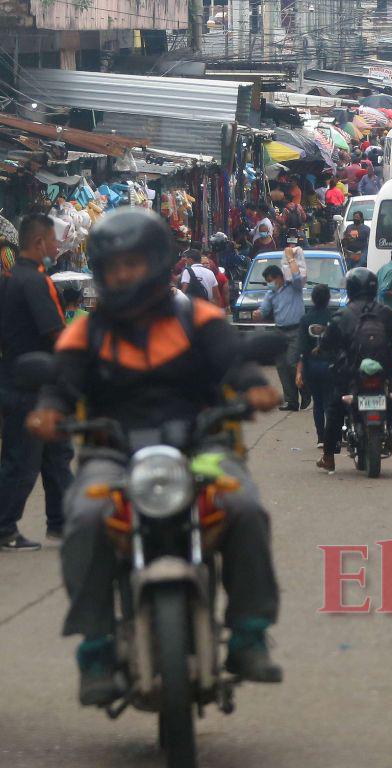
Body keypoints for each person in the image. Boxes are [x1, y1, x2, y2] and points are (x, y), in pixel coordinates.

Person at [26, 207, 283, 703]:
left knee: (245, 508)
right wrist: (49, 411)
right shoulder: (86, 331)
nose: (124, 274)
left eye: (134, 263)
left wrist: (254, 388)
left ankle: (250, 633)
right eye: (115, 266)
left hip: (202, 450)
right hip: (114, 455)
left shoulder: (199, 317)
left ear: (158, 262)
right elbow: (61, 383)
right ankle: (96, 645)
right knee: (85, 516)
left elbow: (234, 362)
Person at [0, 213, 74, 550]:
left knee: (58, 454)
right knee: (22, 461)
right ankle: (4, 528)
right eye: (55, 241)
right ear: (39, 243)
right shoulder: (34, 281)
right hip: (27, 385)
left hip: (38, 383)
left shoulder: (15, 278)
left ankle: (63, 523)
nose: (59, 247)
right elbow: (53, 332)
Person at [316, 268, 392, 472]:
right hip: (383, 370)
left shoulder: (342, 314)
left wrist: (324, 349)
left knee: (335, 409)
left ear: (350, 289)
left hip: (350, 372)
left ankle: (328, 456)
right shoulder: (385, 312)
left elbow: (327, 342)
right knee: (389, 395)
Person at [253, 254, 309, 411]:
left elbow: (297, 276)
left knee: (292, 362)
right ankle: (291, 401)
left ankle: (305, 390)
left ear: (280, 277)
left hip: (296, 330)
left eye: (271, 280)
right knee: (281, 365)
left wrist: (291, 259)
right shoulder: (271, 294)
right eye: (267, 281)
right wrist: (258, 314)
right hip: (279, 331)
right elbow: (264, 310)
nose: (269, 284)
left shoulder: (294, 287)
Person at [296, 284, 334, 448]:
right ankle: (332, 435)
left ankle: (321, 438)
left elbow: (302, 348)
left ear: (312, 299)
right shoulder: (333, 318)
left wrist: (300, 370)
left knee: (317, 403)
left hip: (311, 366)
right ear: (328, 299)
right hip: (330, 366)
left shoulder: (305, 319)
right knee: (330, 403)